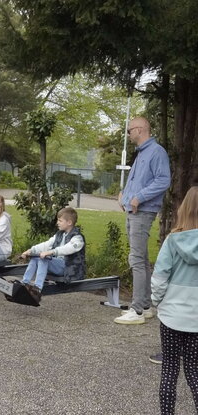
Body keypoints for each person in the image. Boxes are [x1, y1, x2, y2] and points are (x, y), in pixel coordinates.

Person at [114, 117, 171, 325]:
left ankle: (136, 310)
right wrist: (124, 194)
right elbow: (138, 181)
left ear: (139, 130)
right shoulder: (142, 153)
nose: (128, 134)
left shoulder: (156, 152)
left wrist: (138, 198)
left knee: (136, 260)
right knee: (142, 260)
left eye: (129, 130)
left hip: (143, 211)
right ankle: (146, 307)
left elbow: (163, 180)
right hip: (135, 211)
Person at [151, 186, 198, 414]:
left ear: (183, 209)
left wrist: (156, 301)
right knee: (194, 370)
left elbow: (160, 277)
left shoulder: (172, 240)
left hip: (171, 316)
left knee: (169, 369)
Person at [20, 207, 85, 302]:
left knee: (44, 259)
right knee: (35, 258)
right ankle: (24, 283)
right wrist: (30, 251)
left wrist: (52, 252)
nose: (57, 223)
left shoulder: (77, 238)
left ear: (69, 222)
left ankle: (37, 289)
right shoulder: (59, 235)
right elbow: (46, 244)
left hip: (69, 268)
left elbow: (68, 248)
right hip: (58, 265)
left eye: (60, 221)